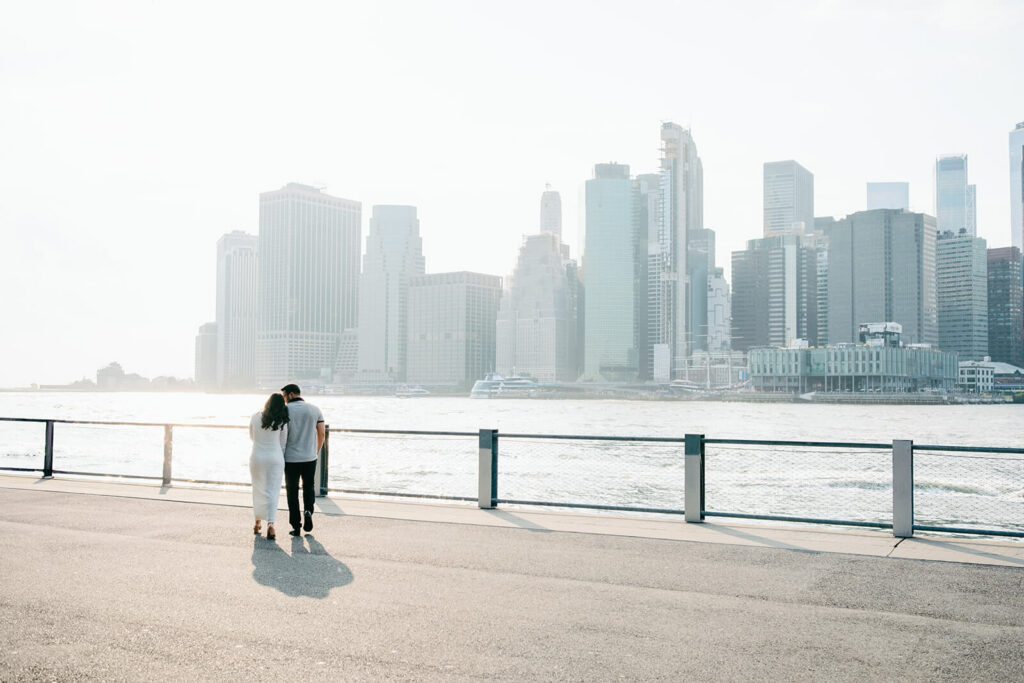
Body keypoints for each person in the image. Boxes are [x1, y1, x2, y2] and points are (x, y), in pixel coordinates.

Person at [281, 383, 325, 536]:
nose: (284, 400)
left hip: (290, 458)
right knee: (309, 486)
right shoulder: (315, 409)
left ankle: (296, 526)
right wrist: (316, 450)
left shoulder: (285, 410)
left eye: (284, 396)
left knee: (292, 491)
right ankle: (308, 511)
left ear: (291, 394)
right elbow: (321, 433)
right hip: (309, 457)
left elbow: (281, 435)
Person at [249, 393, 289, 540]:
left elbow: (252, 436)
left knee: (258, 488)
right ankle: (271, 525)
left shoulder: (255, 416)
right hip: (275, 458)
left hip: (257, 456)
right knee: (273, 491)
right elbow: (283, 443)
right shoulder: (282, 420)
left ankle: (257, 522)